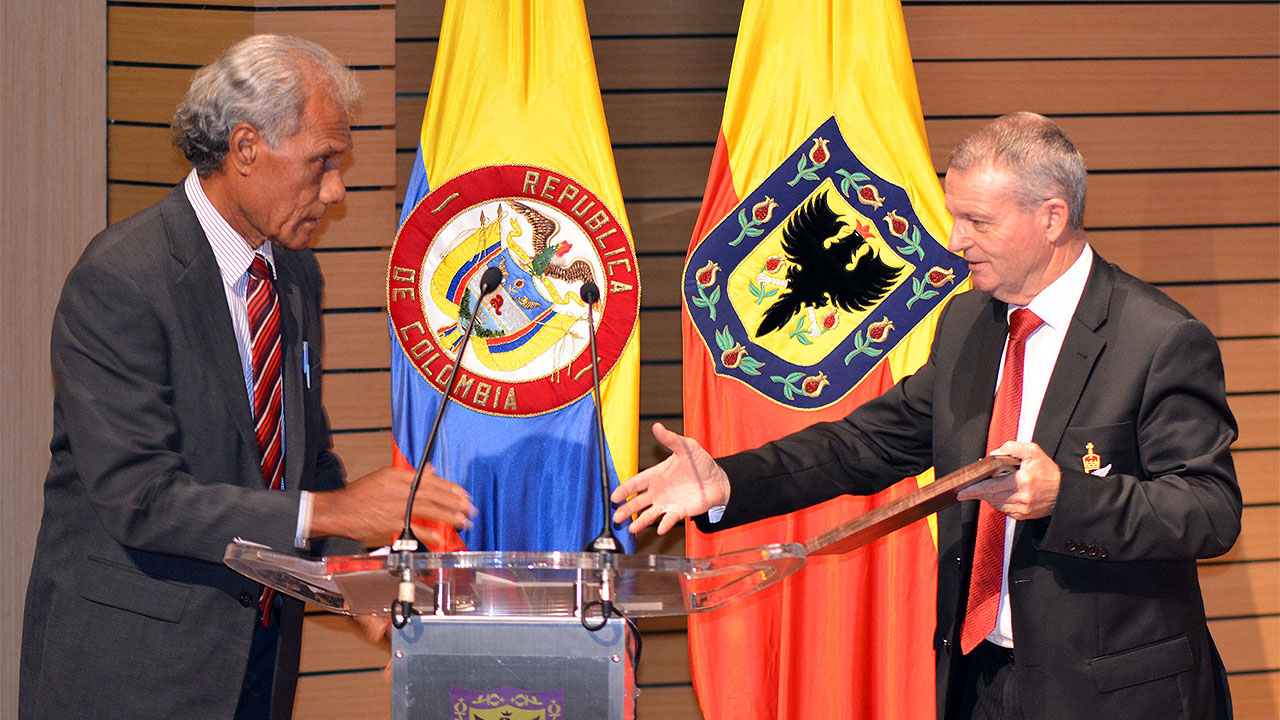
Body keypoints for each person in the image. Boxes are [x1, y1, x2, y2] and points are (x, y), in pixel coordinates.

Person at [612, 113, 1241, 720]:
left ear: (1052, 218)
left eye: (977, 221)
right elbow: (869, 443)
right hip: (980, 680)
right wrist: (728, 479)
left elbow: (1210, 511)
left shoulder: (1158, 338)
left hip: (1115, 693)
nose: (954, 239)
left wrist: (1064, 496)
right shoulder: (969, 322)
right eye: (954, 215)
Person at [20, 35, 475, 720]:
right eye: (322, 162)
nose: (336, 190)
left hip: (257, 666)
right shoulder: (121, 279)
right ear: (245, 148)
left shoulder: (294, 276)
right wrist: (331, 512)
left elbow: (306, 460)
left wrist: (359, 574)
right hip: (131, 672)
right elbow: (139, 496)